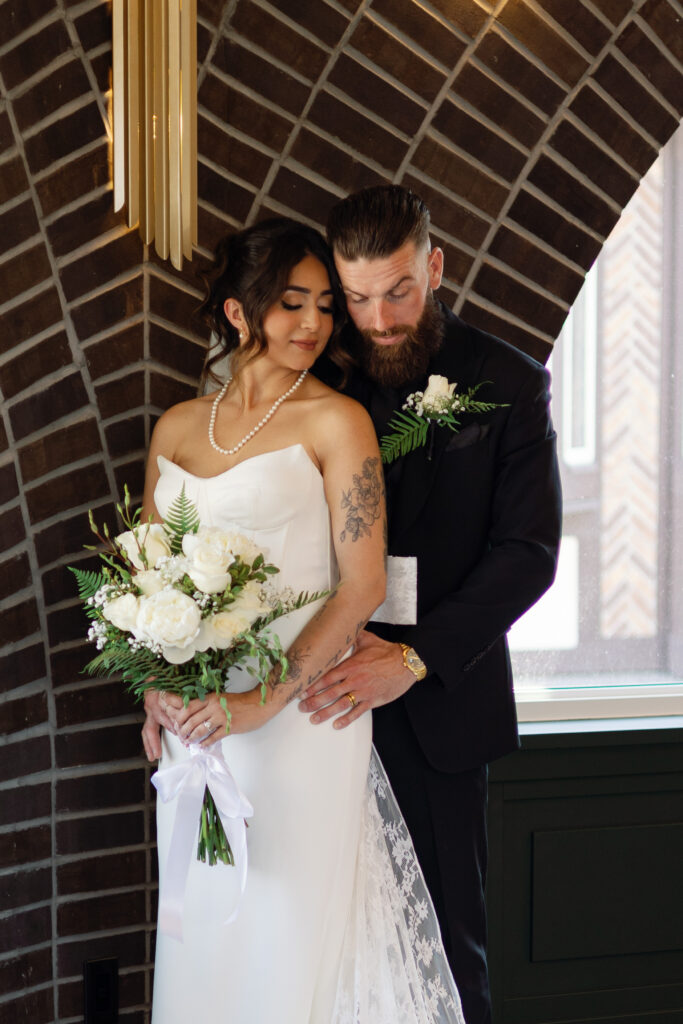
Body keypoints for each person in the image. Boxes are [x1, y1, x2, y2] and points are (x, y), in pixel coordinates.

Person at [140, 218, 464, 1023]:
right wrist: (153, 689)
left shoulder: (336, 421)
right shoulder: (176, 427)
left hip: (296, 719)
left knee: (286, 936)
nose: (315, 323)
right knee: (207, 930)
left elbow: (360, 585)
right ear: (237, 312)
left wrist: (262, 701)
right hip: (195, 725)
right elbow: (146, 578)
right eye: (291, 303)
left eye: (324, 304)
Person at [300, 185, 563, 1024]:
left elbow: (527, 555)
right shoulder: (314, 375)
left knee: (445, 954)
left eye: (398, 292)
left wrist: (413, 660)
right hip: (311, 707)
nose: (378, 320)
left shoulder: (508, 382)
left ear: (435, 267)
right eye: (357, 298)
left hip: (442, 711)